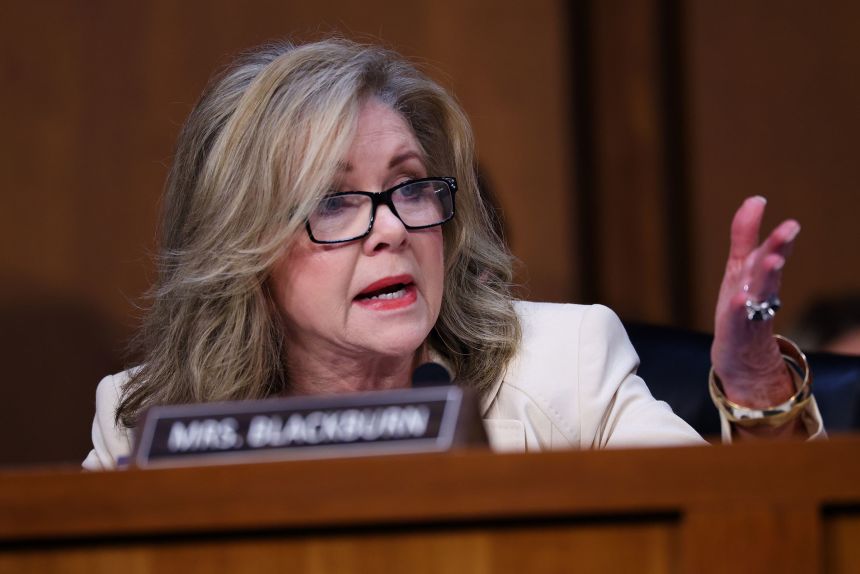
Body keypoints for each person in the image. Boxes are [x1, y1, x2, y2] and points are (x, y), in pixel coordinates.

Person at [83, 39, 822, 470]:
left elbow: (729, 536)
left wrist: (758, 394)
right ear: (241, 247)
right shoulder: (141, 421)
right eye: (334, 201)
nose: (391, 231)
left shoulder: (564, 368)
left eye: (409, 186)